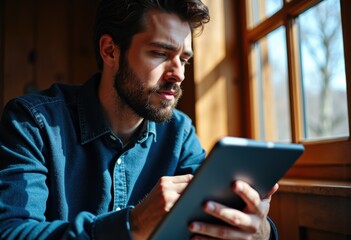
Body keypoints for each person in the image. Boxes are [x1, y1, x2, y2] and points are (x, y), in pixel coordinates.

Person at [0, 0, 279, 239]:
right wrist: (133, 225)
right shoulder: (32, 122)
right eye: (160, 54)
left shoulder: (180, 134)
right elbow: (11, 232)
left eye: (184, 59)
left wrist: (260, 231)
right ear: (110, 50)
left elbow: (215, 215)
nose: (178, 74)